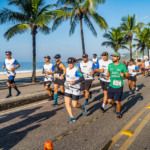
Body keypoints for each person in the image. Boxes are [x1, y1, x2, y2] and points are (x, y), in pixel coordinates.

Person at [107, 52, 129, 119]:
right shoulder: (110, 65)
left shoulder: (122, 66)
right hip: (111, 85)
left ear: (118, 58)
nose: (113, 57)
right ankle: (114, 105)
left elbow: (127, 75)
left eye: (115, 56)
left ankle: (119, 113)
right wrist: (107, 75)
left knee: (117, 101)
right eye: (112, 56)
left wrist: (124, 75)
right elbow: (108, 72)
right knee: (109, 101)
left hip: (119, 86)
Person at [64, 57, 86, 123]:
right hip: (68, 88)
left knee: (74, 105)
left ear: (73, 63)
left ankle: (82, 107)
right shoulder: (66, 69)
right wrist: (61, 77)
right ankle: (72, 117)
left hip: (75, 89)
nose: (69, 64)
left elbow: (82, 78)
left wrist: (75, 82)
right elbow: (65, 76)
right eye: (68, 63)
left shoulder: (76, 70)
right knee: (67, 102)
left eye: (71, 63)